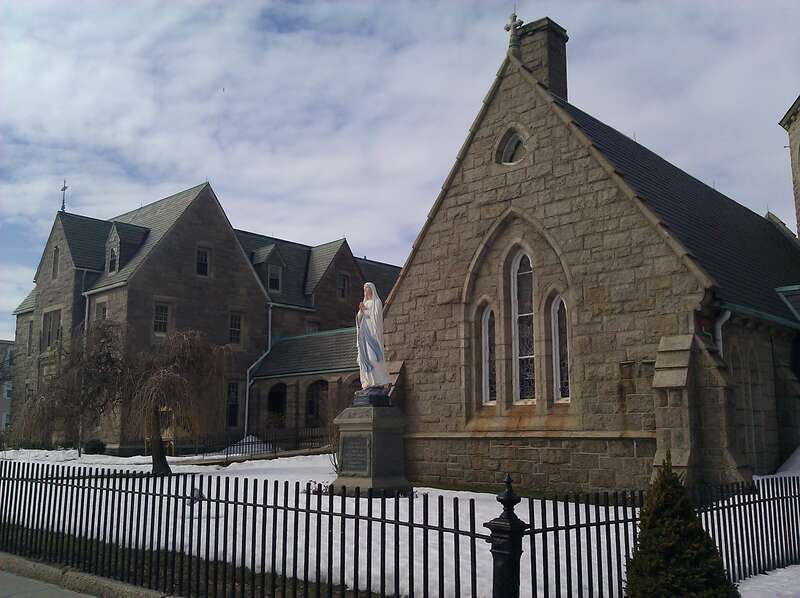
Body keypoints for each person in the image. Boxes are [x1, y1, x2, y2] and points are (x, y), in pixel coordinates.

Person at [356, 282, 391, 389]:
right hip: (363, 333)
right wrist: (361, 311)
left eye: (367, 287)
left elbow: (376, 317)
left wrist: (365, 311)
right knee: (364, 358)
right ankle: (368, 382)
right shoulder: (365, 302)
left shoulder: (377, 302)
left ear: (372, 289)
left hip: (372, 333)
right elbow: (359, 319)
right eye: (364, 288)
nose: (365, 289)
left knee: (374, 357)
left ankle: (381, 380)